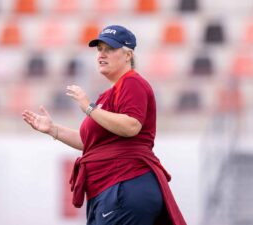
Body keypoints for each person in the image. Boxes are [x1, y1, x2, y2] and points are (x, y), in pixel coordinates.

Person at [22, 25, 186, 225]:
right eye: (99, 49)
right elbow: (90, 142)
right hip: (113, 187)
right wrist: (53, 129)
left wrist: (88, 107)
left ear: (128, 55)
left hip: (125, 182)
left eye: (110, 49)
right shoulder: (108, 95)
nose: (101, 54)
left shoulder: (132, 83)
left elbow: (131, 125)